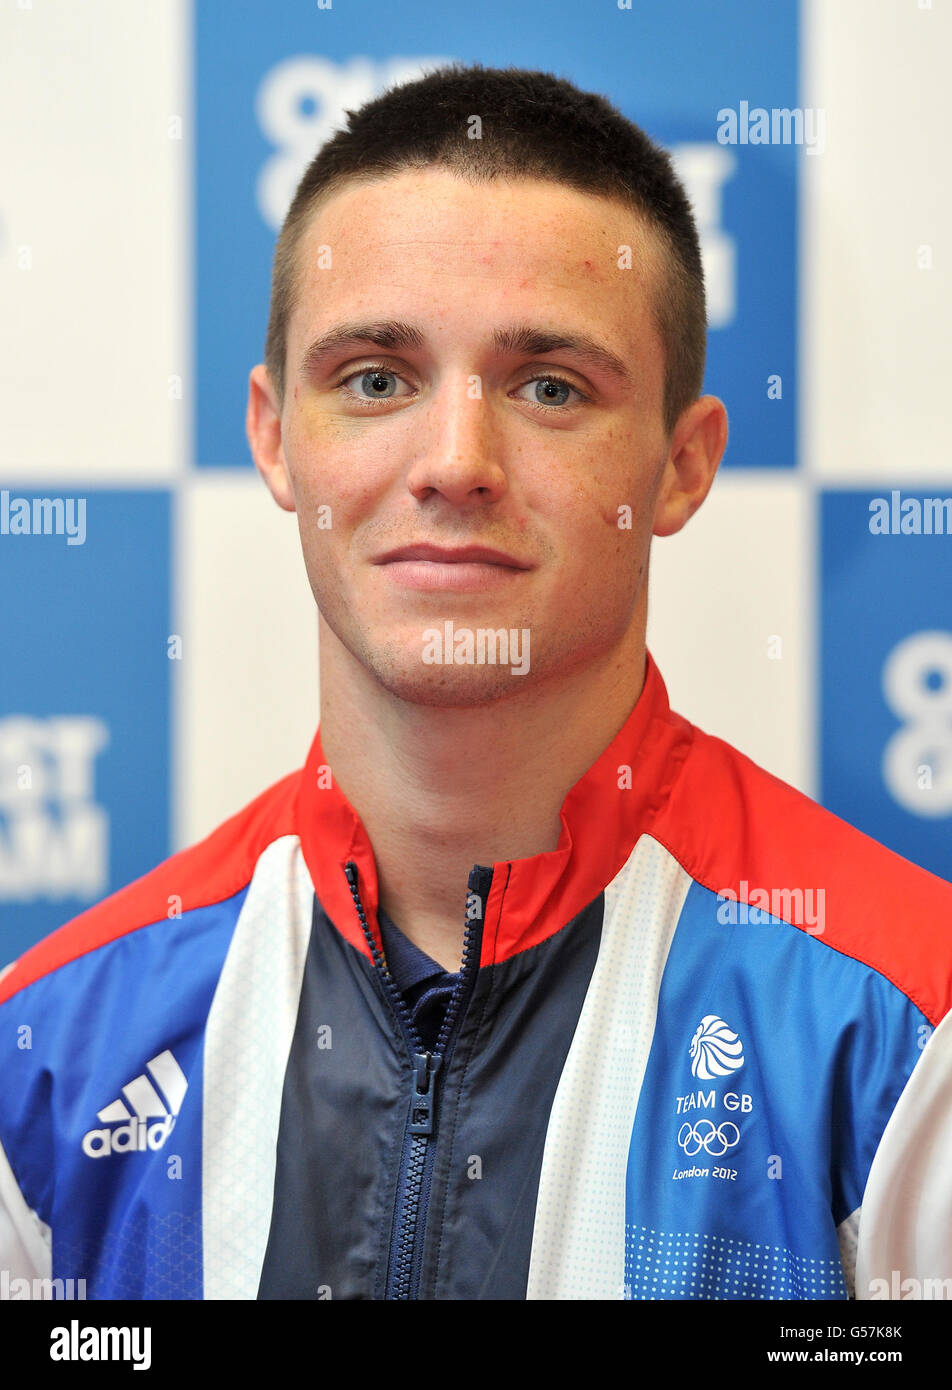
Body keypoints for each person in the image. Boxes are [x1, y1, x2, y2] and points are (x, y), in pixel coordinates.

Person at [1, 62, 950, 1303]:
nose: (455, 463)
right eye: (376, 380)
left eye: (549, 387)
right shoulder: (55, 1052)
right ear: (276, 434)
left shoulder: (905, 1030)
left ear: (680, 465)